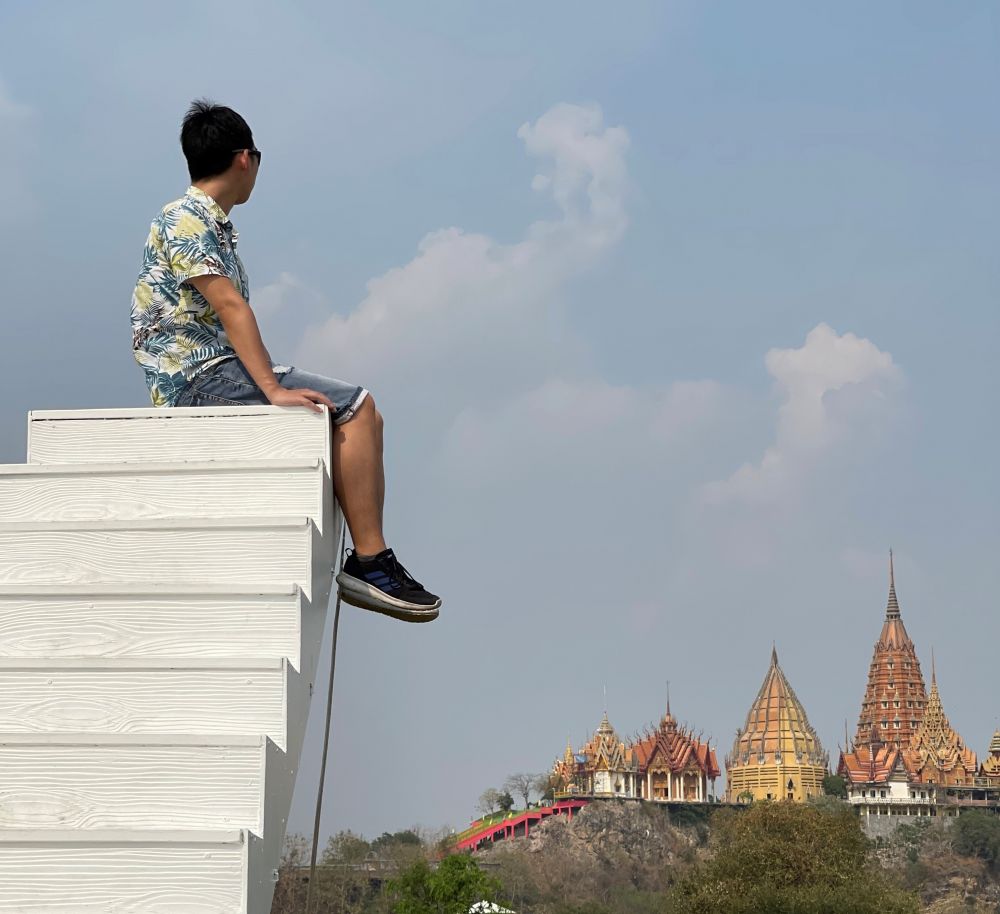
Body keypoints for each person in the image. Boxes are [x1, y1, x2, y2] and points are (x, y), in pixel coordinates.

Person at [130, 99, 440, 623]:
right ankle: (370, 562)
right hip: (199, 378)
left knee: (359, 410)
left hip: (209, 372)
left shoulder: (207, 223)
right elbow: (230, 307)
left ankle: (371, 558)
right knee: (357, 407)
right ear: (245, 158)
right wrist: (273, 389)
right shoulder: (184, 218)